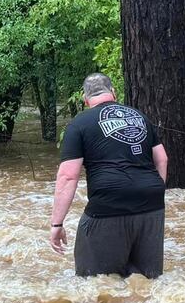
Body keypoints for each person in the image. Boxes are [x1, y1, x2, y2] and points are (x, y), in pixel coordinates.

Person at [49, 73, 168, 279]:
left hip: (107, 207)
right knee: (147, 281)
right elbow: (162, 159)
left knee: (93, 283)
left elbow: (68, 176)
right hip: (152, 205)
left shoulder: (79, 124)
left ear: (85, 99)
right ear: (113, 92)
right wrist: (152, 193)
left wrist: (57, 224)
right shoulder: (139, 117)